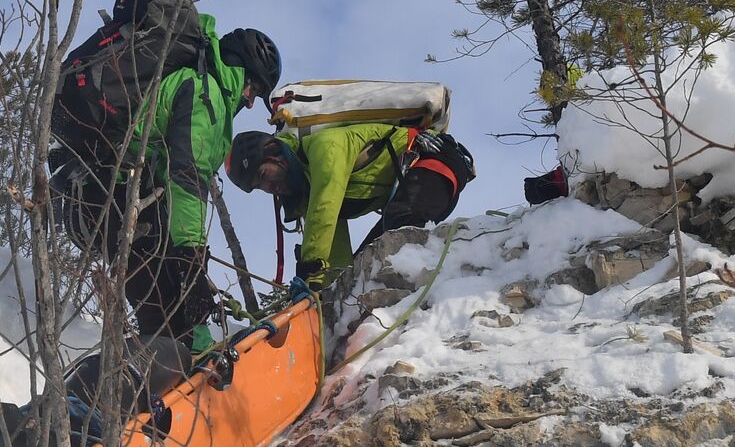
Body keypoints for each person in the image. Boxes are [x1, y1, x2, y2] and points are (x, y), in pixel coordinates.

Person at [57, 25, 281, 352]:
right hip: (111, 196)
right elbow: (188, 177)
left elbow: (165, 176)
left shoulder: (190, 81)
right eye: (254, 90)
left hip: (97, 196)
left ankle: (175, 372)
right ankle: (179, 371)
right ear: (243, 73)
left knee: (164, 316)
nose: (249, 103)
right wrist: (191, 259)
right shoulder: (208, 95)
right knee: (170, 311)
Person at [225, 125, 474, 287]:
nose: (268, 188)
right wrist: (324, 291)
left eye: (263, 175)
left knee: (398, 229)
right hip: (418, 183)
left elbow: (326, 205)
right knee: (364, 268)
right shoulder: (309, 189)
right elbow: (335, 256)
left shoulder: (325, 147)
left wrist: (308, 267)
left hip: (435, 159)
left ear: (274, 154)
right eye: (259, 187)